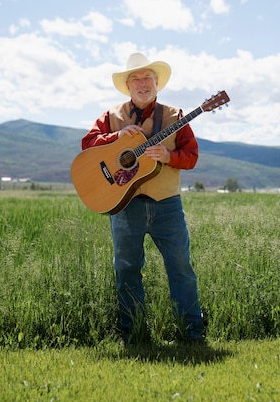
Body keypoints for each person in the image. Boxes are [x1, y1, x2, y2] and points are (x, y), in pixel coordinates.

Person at [81, 52, 205, 345]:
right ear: (128, 85)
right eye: (135, 78)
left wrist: (169, 156)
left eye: (147, 77)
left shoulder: (176, 117)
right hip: (125, 205)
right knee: (126, 269)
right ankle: (133, 335)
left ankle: (193, 335)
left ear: (157, 82)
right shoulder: (111, 117)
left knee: (181, 267)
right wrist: (115, 137)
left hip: (167, 204)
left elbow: (192, 157)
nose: (142, 83)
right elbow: (87, 144)